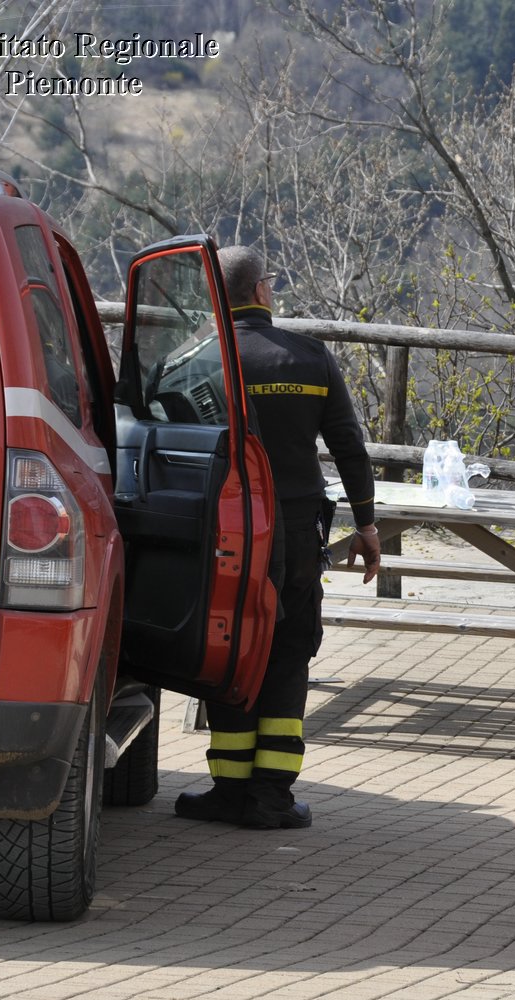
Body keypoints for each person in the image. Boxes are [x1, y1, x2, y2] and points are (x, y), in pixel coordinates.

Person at [175, 245, 382, 830]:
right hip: (294, 530)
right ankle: (271, 795)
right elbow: (348, 448)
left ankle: (229, 788)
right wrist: (365, 526)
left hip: (225, 534)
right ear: (262, 291)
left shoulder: (196, 360)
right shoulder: (309, 360)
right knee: (289, 651)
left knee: (230, 644)